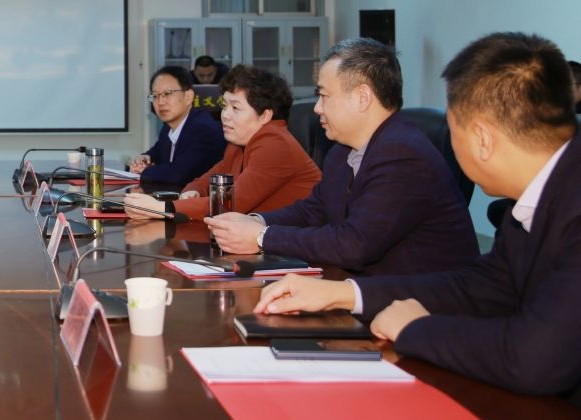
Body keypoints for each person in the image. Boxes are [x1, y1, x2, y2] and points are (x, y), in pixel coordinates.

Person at [253, 32, 581, 397]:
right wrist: (344, 294)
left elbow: (534, 360)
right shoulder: (541, 198)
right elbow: (481, 286)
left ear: (483, 140)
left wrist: (413, 329)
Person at [207, 38, 478, 276]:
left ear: (362, 97)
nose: (317, 108)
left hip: (418, 304)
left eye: (324, 95)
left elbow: (354, 244)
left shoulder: (402, 154)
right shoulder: (342, 151)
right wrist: (257, 221)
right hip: (361, 287)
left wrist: (262, 237)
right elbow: (313, 210)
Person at [126, 65, 320, 221]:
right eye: (224, 106)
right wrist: (194, 191)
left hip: (299, 246)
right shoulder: (239, 144)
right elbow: (207, 179)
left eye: (235, 108)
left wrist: (163, 208)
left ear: (265, 115)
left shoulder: (275, 144)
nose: (225, 115)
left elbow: (231, 203)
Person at [129, 66, 226, 188]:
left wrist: (143, 171)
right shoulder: (168, 127)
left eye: (167, 94)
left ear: (188, 97)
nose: (160, 102)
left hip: (203, 198)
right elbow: (157, 151)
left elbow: (178, 175)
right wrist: (144, 157)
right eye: (155, 96)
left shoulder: (203, 129)